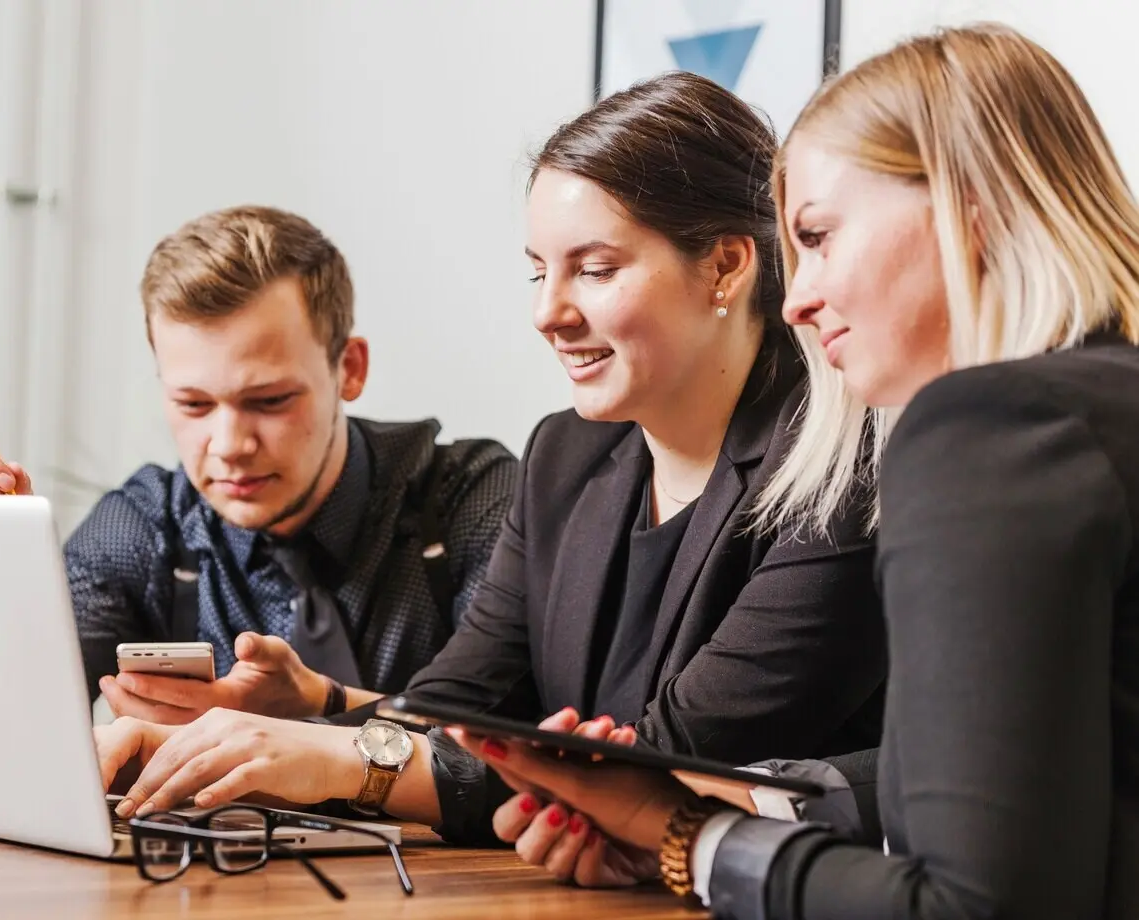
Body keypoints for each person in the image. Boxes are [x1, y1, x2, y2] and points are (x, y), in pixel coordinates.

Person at [90, 72, 887, 845]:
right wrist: (303, 725)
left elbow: (655, 767)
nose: (548, 312)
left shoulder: (842, 469)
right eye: (539, 272)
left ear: (724, 264)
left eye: (595, 270)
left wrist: (332, 758)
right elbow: (458, 708)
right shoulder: (566, 455)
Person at [461, 23, 1139, 919]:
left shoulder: (983, 429)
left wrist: (687, 840)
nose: (801, 298)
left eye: (817, 237)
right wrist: (734, 804)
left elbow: (977, 904)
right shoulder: (1099, 410)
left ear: (970, 208)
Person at [0, 206, 518, 721]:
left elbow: (525, 738)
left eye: (269, 401)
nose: (228, 444)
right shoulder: (144, 527)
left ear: (349, 370)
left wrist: (322, 707)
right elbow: (2, 717)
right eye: (193, 404)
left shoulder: (470, 501)